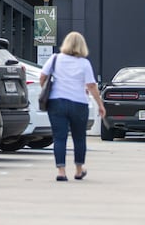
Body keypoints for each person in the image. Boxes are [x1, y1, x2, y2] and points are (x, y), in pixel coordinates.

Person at [39, 31, 106, 182]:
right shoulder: (84, 63)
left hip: (56, 102)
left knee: (59, 137)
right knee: (79, 138)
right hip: (78, 102)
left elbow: (42, 77)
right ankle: (78, 169)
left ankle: (61, 172)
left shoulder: (55, 59)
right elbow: (91, 85)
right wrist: (100, 104)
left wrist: (47, 88)